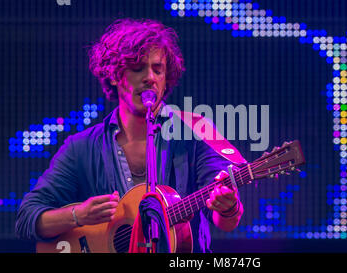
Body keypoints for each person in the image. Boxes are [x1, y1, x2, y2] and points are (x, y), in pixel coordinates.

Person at [15, 18, 244, 253]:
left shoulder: (196, 132)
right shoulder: (81, 147)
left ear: (166, 79)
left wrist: (228, 207)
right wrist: (78, 215)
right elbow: (27, 219)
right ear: (115, 75)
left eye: (158, 69)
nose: (150, 78)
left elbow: (225, 221)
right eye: (138, 68)